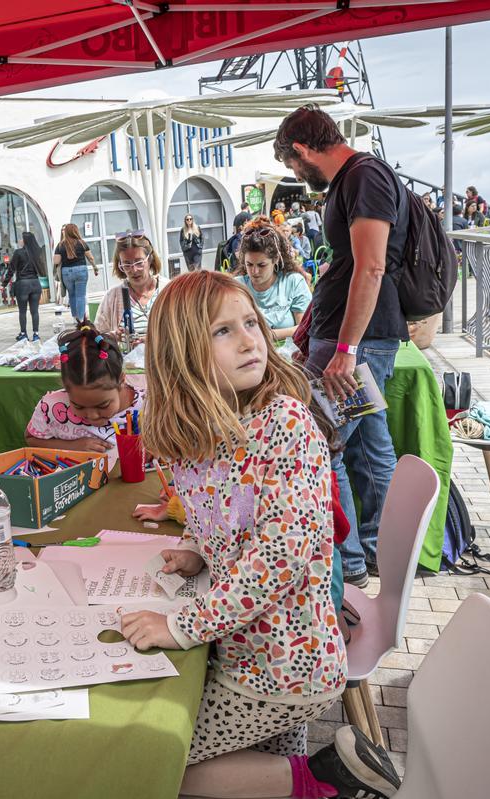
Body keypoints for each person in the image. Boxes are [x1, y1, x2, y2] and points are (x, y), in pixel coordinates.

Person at [123, 270, 398, 799]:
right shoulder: (204, 434)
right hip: (247, 650)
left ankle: (322, 781)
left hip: (282, 666)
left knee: (154, 759)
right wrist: (198, 553)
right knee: (249, 772)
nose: (251, 339)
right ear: (179, 354)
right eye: (223, 331)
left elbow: (276, 556)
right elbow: (228, 517)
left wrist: (181, 625)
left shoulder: (286, 425)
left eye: (250, 322)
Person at [274, 104, 407, 588]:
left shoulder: (363, 176)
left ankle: (350, 562)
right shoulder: (357, 179)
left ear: (303, 150)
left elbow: (371, 267)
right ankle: (380, 555)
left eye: (292, 164)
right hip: (356, 338)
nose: (296, 173)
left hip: (356, 343)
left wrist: (346, 348)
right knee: (370, 450)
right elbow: (358, 264)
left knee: (320, 443)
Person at [25, 321, 144, 454]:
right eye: (79, 406)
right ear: (66, 387)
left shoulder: (147, 407)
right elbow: (31, 439)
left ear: (121, 381)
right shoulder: (51, 407)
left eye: (103, 405)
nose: (92, 416)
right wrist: (70, 446)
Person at [235, 219, 313, 345]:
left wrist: (267, 335)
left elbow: (304, 328)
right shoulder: (237, 286)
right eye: (249, 264)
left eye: (261, 265)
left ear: (275, 259)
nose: (254, 271)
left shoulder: (293, 282)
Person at [94, 231, 164, 341]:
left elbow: (185, 332)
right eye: (127, 264)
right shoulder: (112, 297)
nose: (134, 270)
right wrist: (112, 337)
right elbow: (97, 336)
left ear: (150, 259)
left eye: (139, 262)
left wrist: (151, 342)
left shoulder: (169, 290)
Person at [5, 230, 47, 342]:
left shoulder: (18, 253)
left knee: (22, 311)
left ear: (25, 241)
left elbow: (11, 269)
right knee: (35, 311)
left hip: (22, 284)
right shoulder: (37, 252)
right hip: (35, 283)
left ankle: (23, 334)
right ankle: (36, 334)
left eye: (21, 238)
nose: (19, 240)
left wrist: (4, 283)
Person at [53, 222, 97, 321]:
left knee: (72, 295)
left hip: (66, 272)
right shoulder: (82, 243)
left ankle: (74, 318)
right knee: (80, 296)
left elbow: (56, 261)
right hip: (81, 270)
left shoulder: (60, 245)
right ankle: (81, 319)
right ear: (76, 231)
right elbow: (91, 257)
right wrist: (95, 268)